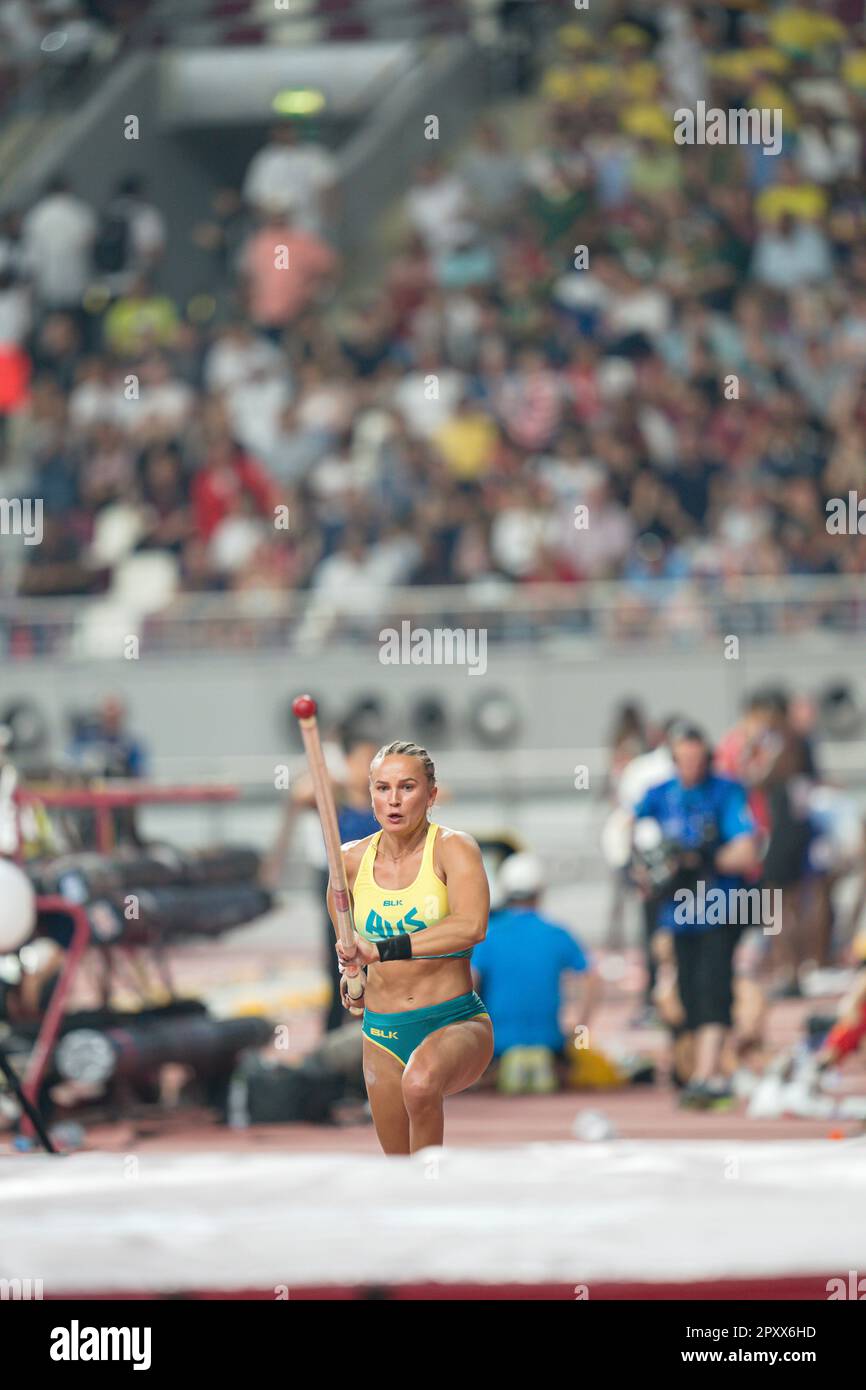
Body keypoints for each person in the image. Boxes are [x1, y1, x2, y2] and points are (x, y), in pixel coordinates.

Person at [330, 740, 492, 1154]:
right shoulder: (348, 863)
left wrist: (382, 950)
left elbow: (471, 927)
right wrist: (352, 981)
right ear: (370, 796)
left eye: (407, 787)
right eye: (382, 788)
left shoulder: (454, 848)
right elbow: (351, 956)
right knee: (399, 1168)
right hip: (383, 1033)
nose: (394, 800)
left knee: (420, 1084)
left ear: (431, 795)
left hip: (454, 1023)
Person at [631, 724, 759, 1109]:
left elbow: (748, 851)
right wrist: (645, 866)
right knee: (685, 991)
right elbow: (627, 833)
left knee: (712, 987)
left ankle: (707, 1075)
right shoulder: (658, 795)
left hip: (720, 904)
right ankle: (704, 1071)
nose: (690, 766)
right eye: (683, 759)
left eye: (697, 759)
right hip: (677, 910)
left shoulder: (726, 791)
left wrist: (702, 856)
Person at [470, 852, 597, 1094]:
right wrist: (580, 1033)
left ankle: (491, 1072)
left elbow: (469, 983)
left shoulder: (488, 935)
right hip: (551, 1041)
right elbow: (592, 978)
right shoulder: (557, 934)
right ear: (540, 891)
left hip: (497, 1045)